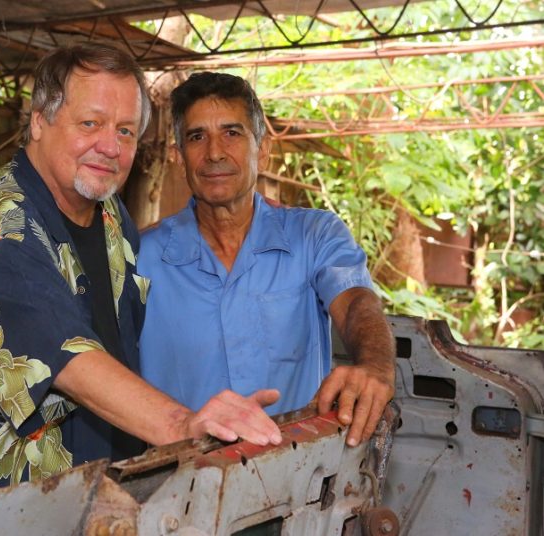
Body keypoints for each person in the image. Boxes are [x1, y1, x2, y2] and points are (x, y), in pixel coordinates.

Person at [0, 45, 282, 515]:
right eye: (90, 124)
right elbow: (68, 355)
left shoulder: (111, 216)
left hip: (73, 497)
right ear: (39, 122)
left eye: (125, 131)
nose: (110, 147)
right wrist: (183, 424)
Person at [138, 72, 396, 449]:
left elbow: (356, 301)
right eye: (197, 137)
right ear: (178, 156)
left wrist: (375, 365)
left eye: (232, 133)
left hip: (295, 475)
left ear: (263, 149)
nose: (214, 153)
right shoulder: (140, 257)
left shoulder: (313, 235)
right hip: (177, 484)